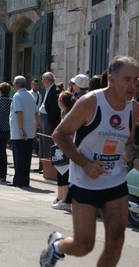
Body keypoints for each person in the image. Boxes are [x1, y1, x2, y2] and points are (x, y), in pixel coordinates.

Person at [40, 56, 139, 267]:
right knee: (84, 245)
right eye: (127, 79)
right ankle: (57, 246)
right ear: (111, 80)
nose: (133, 85)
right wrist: (85, 163)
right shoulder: (90, 103)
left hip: (115, 180)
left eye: (136, 80)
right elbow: (60, 134)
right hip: (85, 181)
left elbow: (128, 143)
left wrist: (134, 157)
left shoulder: (134, 108)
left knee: (117, 241)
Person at [8, 76, 38, 187]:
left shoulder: (17, 96)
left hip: (19, 131)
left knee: (19, 157)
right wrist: (35, 130)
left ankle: (18, 181)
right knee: (26, 157)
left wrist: (20, 129)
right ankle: (25, 180)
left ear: (16, 84)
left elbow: (19, 113)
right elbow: (36, 114)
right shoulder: (31, 96)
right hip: (30, 131)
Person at [51, 90, 76, 211]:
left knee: (65, 173)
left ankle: (66, 200)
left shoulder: (70, 116)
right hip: (60, 147)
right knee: (60, 173)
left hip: (66, 147)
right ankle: (60, 196)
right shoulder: (65, 114)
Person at [36, 72, 61, 173]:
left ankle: (45, 165)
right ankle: (41, 165)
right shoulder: (47, 90)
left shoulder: (55, 90)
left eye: (43, 79)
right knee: (42, 142)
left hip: (47, 119)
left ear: (47, 80)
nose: (42, 81)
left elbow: (55, 108)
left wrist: (50, 119)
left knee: (46, 143)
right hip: (43, 117)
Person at [29, 78, 42, 155]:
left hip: (38, 116)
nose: (36, 86)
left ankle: (37, 149)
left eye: (37, 85)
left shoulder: (40, 95)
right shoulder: (29, 94)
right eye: (34, 85)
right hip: (31, 116)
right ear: (31, 85)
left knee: (37, 132)